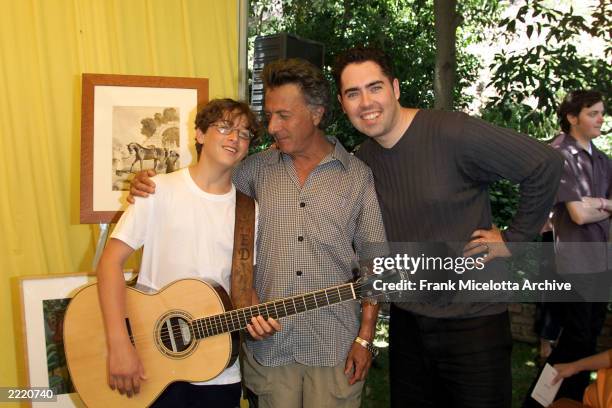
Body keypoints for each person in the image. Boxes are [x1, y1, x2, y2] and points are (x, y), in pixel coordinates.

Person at [129, 59, 388, 408]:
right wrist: (150, 185)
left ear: (316, 113)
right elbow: (202, 186)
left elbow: (377, 264)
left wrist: (365, 339)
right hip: (268, 349)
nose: (272, 126)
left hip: (334, 347)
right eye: (269, 116)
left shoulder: (357, 177)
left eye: (283, 115)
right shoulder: (251, 171)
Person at [332, 46, 564, 407]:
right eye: (353, 93)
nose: (366, 102)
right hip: (408, 325)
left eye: (374, 87)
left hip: (474, 325)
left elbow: (544, 164)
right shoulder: (363, 162)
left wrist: (515, 239)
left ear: (394, 88)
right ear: (342, 103)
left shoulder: (453, 133)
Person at [97, 98, 279, 408]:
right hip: (151, 362)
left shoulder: (249, 209)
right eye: (225, 128)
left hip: (219, 370)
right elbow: (109, 265)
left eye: (245, 133)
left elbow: (242, 285)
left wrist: (256, 316)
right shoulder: (157, 190)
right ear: (199, 134)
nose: (235, 138)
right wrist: (119, 345)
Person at [526, 90, 611, 406]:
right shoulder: (559, 154)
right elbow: (578, 213)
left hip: (602, 258)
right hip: (572, 261)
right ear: (572, 117)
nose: (600, 119)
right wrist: (604, 207)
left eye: (602, 112)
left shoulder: (602, 159)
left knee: (587, 338)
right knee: (574, 338)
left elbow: (593, 208)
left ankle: (572, 401)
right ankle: (537, 401)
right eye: (593, 113)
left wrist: (600, 203)